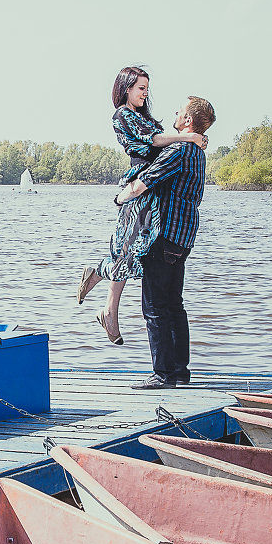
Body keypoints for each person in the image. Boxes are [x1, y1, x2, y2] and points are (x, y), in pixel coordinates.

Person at [77, 66, 206, 345]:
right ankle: (103, 289)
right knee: (128, 252)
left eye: (147, 89)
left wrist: (192, 139)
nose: (145, 94)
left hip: (152, 192)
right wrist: (189, 136)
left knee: (133, 254)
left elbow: (164, 143)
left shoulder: (145, 117)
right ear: (126, 88)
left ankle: (107, 303)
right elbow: (155, 141)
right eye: (140, 88)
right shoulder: (122, 115)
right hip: (139, 187)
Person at [115, 95, 216, 389]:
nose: (174, 113)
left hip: (163, 236)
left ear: (187, 121)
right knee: (174, 305)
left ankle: (161, 374)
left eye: (179, 111)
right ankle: (180, 372)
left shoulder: (181, 150)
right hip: (184, 238)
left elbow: (147, 179)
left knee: (155, 306)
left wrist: (120, 197)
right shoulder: (198, 152)